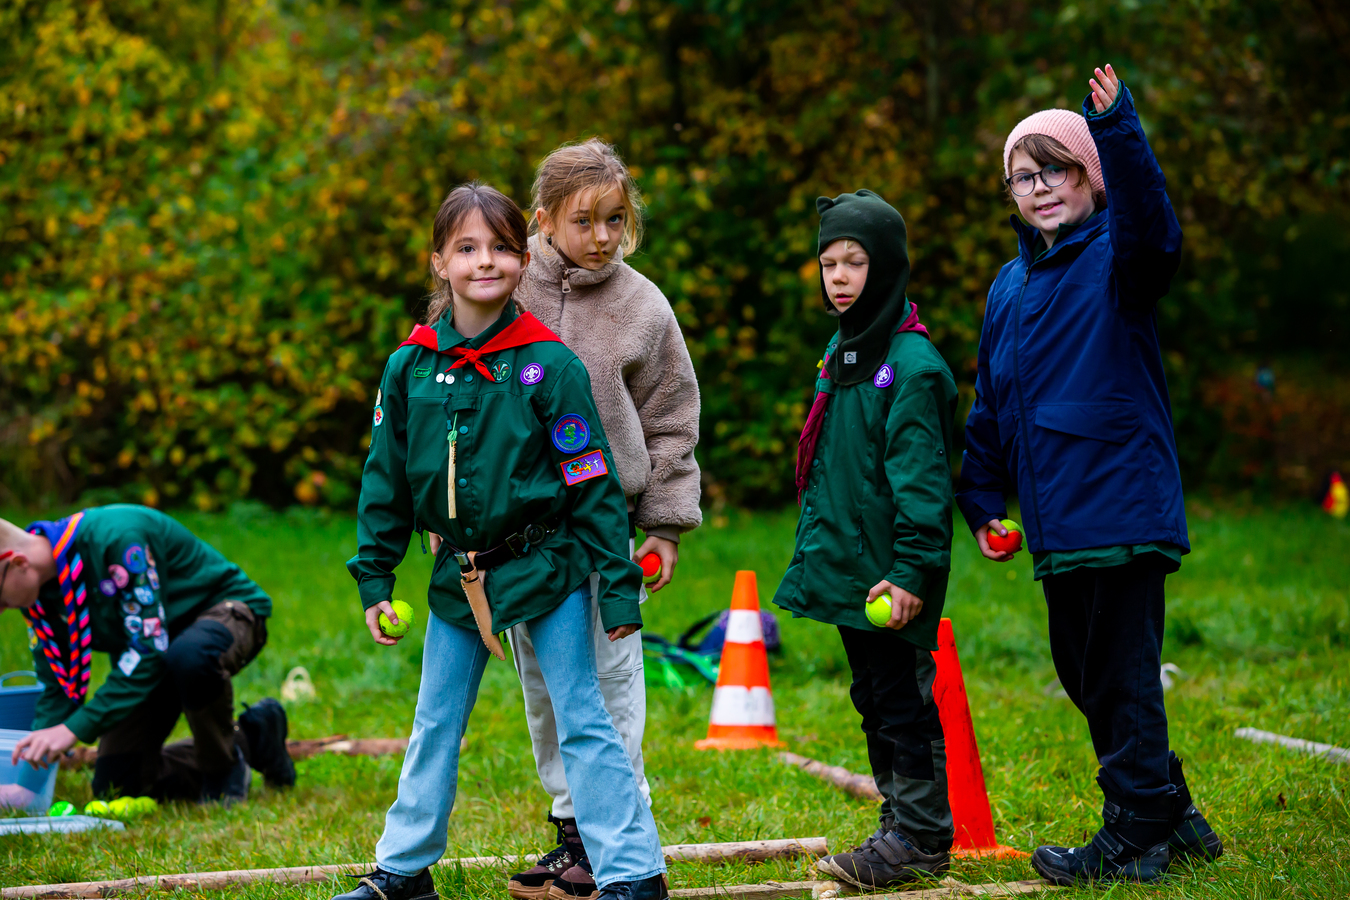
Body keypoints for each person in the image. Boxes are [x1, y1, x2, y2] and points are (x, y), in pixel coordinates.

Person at [340, 182, 667, 900]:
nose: (484, 261)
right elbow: (385, 480)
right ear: (439, 262)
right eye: (466, 248)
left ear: (523, 259)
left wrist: (618, 589)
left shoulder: (549, 366)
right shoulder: (409, 368)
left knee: (582, 717)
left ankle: (633, 872)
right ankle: (403, 870)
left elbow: (593, 486)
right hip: (459, 579)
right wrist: (375, 578)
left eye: (500, 248)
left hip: (549, 568)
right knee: (435, 722)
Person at [955, 64, 1223, 885]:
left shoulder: (1119, 257)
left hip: (1122, 505)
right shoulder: (1009, 287)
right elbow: (993, 403)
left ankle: (1136, 833)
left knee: (1119, 673)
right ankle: (1173, 813)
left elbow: (1155, 231)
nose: (1039, 188)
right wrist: (981, 497)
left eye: (1056, 169)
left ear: (1090, 178)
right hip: (1056, 520)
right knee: (1084, 671)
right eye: (1023, 176)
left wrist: (1117, 132)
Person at [428, 140, 700, 900]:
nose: (603, 237)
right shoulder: (503, 286)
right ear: (543, 220)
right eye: (585, 221)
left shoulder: (643, 307)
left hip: (602, 530)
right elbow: (449, 400)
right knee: (546, 690)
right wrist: (445, 504)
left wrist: (665, 522)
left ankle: (626, 844)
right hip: (516, 536)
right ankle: (574, 835)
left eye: (616, 219)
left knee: (609, 690)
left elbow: (672, 419)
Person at [774, 190, 959, 890]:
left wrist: (911, 573)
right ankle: (898, 821)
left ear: (887, 267)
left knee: (903, 702)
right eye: (829, 264)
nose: (840, 277)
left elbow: (922, 488)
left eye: (855, 262)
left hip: (891, 575)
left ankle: (921, 837)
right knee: (873, 699)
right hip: (853, 569)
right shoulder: (844, 350)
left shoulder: (912, 366)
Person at [1, 504, 293, 805]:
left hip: (222, 615)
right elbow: (57, 686)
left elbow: (148, 650)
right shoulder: (41, 599)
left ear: (17, 561)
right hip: (159, 653)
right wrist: (28, 784)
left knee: (189, 655)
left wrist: (72, 729)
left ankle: (223, 770)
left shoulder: (118, 538)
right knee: (118, 783)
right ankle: (255, 736)